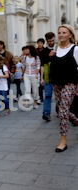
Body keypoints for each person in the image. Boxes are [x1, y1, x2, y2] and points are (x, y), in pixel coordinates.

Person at [49, 24, 78, 153]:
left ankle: (63, 141)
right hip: (56, 83)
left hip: (70, 83)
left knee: (63, 111)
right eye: (59, 32)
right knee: (62, 109)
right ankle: (77, 120)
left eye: (64, 33)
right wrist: (51, 57)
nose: (61, 35)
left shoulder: (75, 49)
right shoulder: (55, 48)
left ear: (71, 34)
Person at [40, 32, 57, 122]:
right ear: (47, 41)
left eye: (53, 40)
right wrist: (41, 78)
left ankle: (59, 111)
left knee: (59, 96)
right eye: (50, 41)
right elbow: (42, 65)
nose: (52, 42)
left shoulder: (59, 48)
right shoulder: (43, 51)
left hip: (58, 75)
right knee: (48, 95)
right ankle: (46, 114)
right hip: (48, 75)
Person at [36, 38, 46, 103]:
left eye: (41, 43)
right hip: (37, 68)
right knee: (39, 83)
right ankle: (40, 97)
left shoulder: (45, 50)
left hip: (44, 67)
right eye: (38, 43)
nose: (39, 44)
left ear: (43, 44)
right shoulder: (35, 51)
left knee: (43, 83)